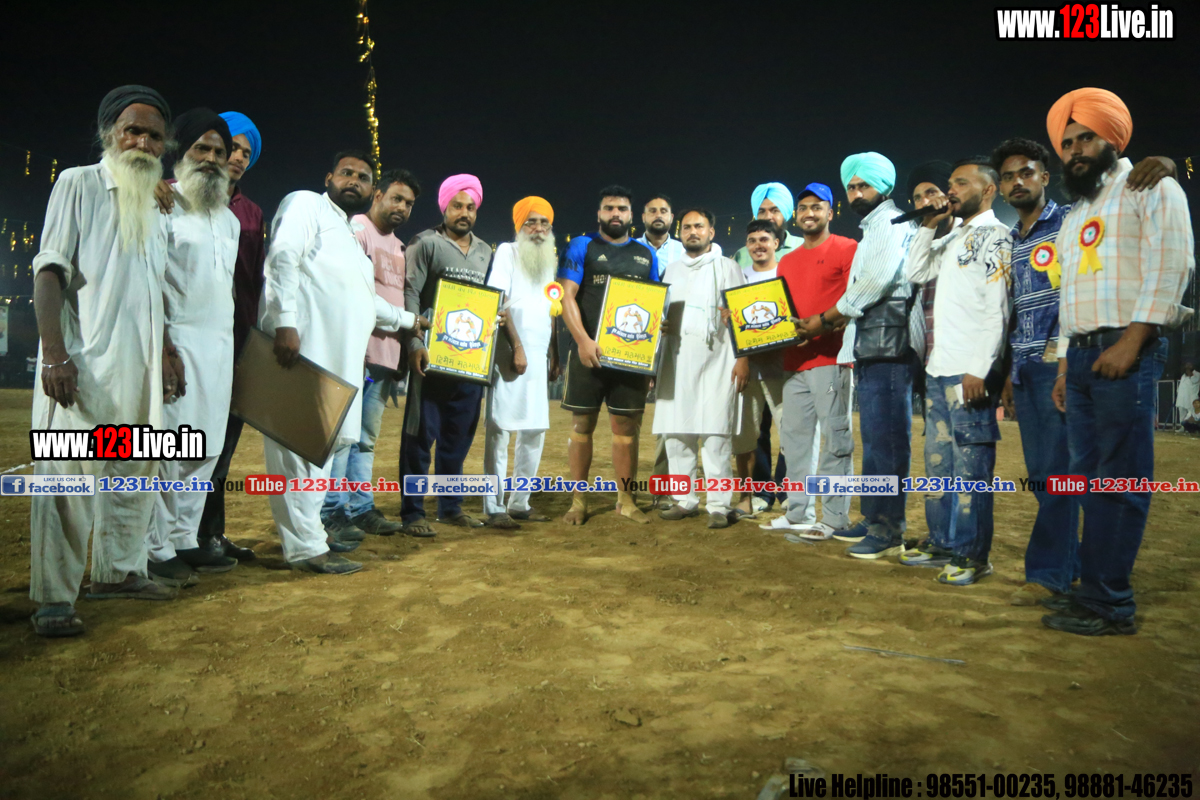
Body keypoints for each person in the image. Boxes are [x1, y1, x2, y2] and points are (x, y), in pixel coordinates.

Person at [30, 85, 180, 636]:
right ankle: (53, 598)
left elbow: (153, 288)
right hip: (83, 369)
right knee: (65, 486)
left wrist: (166, 352)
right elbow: (49, 271)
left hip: (139, 372)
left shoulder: (155, 202)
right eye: (132, 130)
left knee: (134, 475)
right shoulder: (79, 183)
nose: (142, 142)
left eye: (154, 136)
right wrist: (54, 356)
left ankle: (119, 572)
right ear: (108, 133)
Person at [1044, 88, 1194, 635]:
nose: (1076, 150)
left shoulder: (1151, 186)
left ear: (1112, 138)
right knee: (1088, 482)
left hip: (1124, 355)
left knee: (1120, 480)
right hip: (1084, 359)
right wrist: (1065, 366)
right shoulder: (1076, 212)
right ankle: (1092, 591)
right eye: (1067, 143)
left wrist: (1133, 341)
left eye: (1086, 137)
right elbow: (1070, 296)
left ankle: (1111, 604)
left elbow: (1172, 263)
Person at [261, 150, 420, 574]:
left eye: (363, 177)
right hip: (304, 353)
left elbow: (366, 303)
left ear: (371, 189)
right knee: (298, 453)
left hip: (341, 363)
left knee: (324, 452)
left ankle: (312, 536)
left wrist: (411, 321)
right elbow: (282, 257)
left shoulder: (348, 236)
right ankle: (305, 549)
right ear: (329, 177)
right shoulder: (306, 204)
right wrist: (285, 322)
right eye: (347, 173)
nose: (354, 181)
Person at [905, 158, 1013, 585]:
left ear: (988, 190)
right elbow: (915, 271)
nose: (950, 190)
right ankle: (942, 541)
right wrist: (928, 226)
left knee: (971, 471)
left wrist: (981, 368)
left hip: (969, 372)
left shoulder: (997, 236)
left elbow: (997, 309)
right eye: (950, 183)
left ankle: (972, 554)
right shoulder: (952, 237)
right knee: (938, 466)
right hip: (938, 370)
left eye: (961, 183)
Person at [145, 109, 241, 586]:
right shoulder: (161, 203)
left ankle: (184, 538)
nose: (210, 158)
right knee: (172, 449)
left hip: (220, 346)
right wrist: (164, 348)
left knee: (207, 447)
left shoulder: (229, 219)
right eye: (201, 148)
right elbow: (149, 283)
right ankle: (154, 546)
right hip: (177, 343)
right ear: (180, 153)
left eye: (219, 151)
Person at [807, 153, 918, 558]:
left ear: (883, 187)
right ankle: (874, 518)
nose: (856, 193)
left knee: (887, 441)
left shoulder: (890, 223)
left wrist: (828, 317)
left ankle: (888, 529)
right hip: (871, 343)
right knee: (874, 439)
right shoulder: (873, 227)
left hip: (888, 344)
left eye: (863, 186)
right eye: (851, 187)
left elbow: (876, 280)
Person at [321, 169, 421, 539]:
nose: (402, 207)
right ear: (377, 195)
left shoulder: (399, 247)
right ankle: (332, 509)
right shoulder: (357, 230)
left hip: (384, 356)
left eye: (409, 203)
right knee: (341, 437)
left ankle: (360, 507)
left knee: (365, 439)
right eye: (396, 198)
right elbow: (354, 293)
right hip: (355, 354)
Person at [558, 186, 659, 525]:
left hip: (630, 359)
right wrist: (583, 341)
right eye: (609, 208)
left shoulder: (646, 254)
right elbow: (566, 296)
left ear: (632, 215)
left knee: (626, 428)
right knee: (581, 425)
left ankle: (626, 501)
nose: (616, 213)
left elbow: (653, 305)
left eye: (622, 208)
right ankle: (578, 502)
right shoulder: (581, 246)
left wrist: (650, 357)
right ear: (598, 213)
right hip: (588, 354)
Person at [399, 174, 492, 535]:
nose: (464, 213)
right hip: (432, 359)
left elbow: (489, 300)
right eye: (457, 205)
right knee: (420, 437)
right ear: (445, 206)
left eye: (471, 207)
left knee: (458, 437)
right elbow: (410, 293)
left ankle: (450, 507)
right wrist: (414, 344)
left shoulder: (485, 251)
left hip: (470, 361)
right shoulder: (425, 243)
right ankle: (413, 512)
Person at [766, 183, 857, 540]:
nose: (809, 213)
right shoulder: (787, 261)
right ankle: (797, 512)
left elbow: (853, 301)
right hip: (794, 361)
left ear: (830, 213)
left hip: (831, 358)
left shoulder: (847, 248)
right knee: (795, 442)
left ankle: (834, 518)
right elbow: (780, 310)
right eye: (803, 207)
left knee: (835, 441)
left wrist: (822, 326)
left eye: (817, 207)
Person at [194, 111, 265, 563]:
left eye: (245, 152)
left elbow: (256, 280)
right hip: (187, 340)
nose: (237, 157)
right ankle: (168, 541)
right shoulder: (175, 195)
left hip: (237, 343)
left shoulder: (251, 214)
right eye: (231, 147)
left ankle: (210, 535)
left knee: (221, 448)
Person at [652, 209, 747, 527]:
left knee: (716, 435)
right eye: (687, 227)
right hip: (676, 361)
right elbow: (661, 314)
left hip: (718, 363)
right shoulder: (671, 270)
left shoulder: (728, 267)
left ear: (711, 232)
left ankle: (718, 505)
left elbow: (742, 317)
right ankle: (684, 500)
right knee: (677, 434)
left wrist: (743, 359)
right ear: (680, 233)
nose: (693, 231)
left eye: (699, 226)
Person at [483, 197, 562, 527]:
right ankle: (494, 506)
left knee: (534, 429)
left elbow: (552, 308)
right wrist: (517, 347)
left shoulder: (549, 260)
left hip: (539, 355)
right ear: (519, 226)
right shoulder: (507, 252)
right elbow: (498, 301)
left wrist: (554, 353)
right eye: (531, 221)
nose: (539, 228)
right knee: (500, 428)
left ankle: (520, 502)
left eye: (545, 223)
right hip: (509, 352)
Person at [731, 220, 787, 517]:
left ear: (776, 243)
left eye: (764, 239)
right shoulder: (738, 277)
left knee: (791, 432)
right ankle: (760, 492)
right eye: (752, 240)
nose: (758, 245)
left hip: (783, 365)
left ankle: (789, 493)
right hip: (750, 366)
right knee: (750, 434)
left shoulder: (787, 274)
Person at [732, 183, 804, 268]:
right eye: (762, 212)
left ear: (785, 214)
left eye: (774, 211)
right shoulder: (742, 255)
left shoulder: (804, 247)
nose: (768, 217)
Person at [636, 194, 685, 265]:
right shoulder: (630, 249)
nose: (658, 215)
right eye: (653, 211)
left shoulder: (683, 252)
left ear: (671, 218)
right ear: (643, 217)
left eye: (663, 211)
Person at [1177, 362, 1199, 427]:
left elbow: (1194, 380)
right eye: (1186, 366)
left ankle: (1191, 428)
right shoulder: (1183, 376)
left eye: (1189, 366)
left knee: (1191, 414)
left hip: (1191, 399)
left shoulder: (1197, 374)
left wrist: (1190, 374)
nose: (1187, 368)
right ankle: (1182, 427)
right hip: (1182, 399)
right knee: (1182, 413)